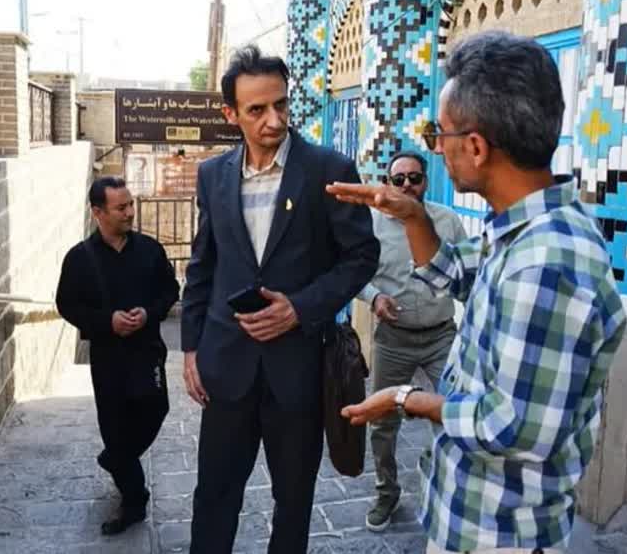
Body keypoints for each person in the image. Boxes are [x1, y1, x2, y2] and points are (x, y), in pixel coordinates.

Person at [328, 31, 627, 554]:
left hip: (502, 533)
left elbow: (512, 428)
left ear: (476, 146)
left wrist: (405, 399)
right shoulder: (518, 230)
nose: (435, 148)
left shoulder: (549, 261)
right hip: (474, 521)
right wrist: (414, 217)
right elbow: (455, 272)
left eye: (438, 134)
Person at [181, 45, 379, 554]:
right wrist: (189, 350)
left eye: (281, 105)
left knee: (293, 502)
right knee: (215, 496)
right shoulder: (213, 175)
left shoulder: (328, 169)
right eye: (256, 110)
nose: (274, 120)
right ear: (231, 114)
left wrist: (301, 308)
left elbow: (361, 257)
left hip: (298, 373)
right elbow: (203, 264)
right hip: (227, 367)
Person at [56, 177, 179, 536]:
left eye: (130, 204)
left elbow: (169, 290)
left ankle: (116, 460)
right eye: (120, 207)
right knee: (115, 428)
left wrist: (148, 313)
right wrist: (106, 321)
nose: (129, 212)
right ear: (98, 212)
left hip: (147, 353)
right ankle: (133, 500)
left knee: (155, 410)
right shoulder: (79, 259)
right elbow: (67, 304)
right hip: (108, 360)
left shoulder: (150, 250)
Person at [356, 151, 466, 532]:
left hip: (441, 337)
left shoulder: (447, 221)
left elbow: (467, 273)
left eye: (414, 178)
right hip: (394, 339)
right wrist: (374, 298)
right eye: (398, 179)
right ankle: (386, 493)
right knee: (383, 423)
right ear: (388, 182)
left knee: (457, 413)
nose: (406, 186)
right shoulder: (372, 225)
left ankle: (448, 489)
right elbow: (355, 273)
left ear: (425, 181)